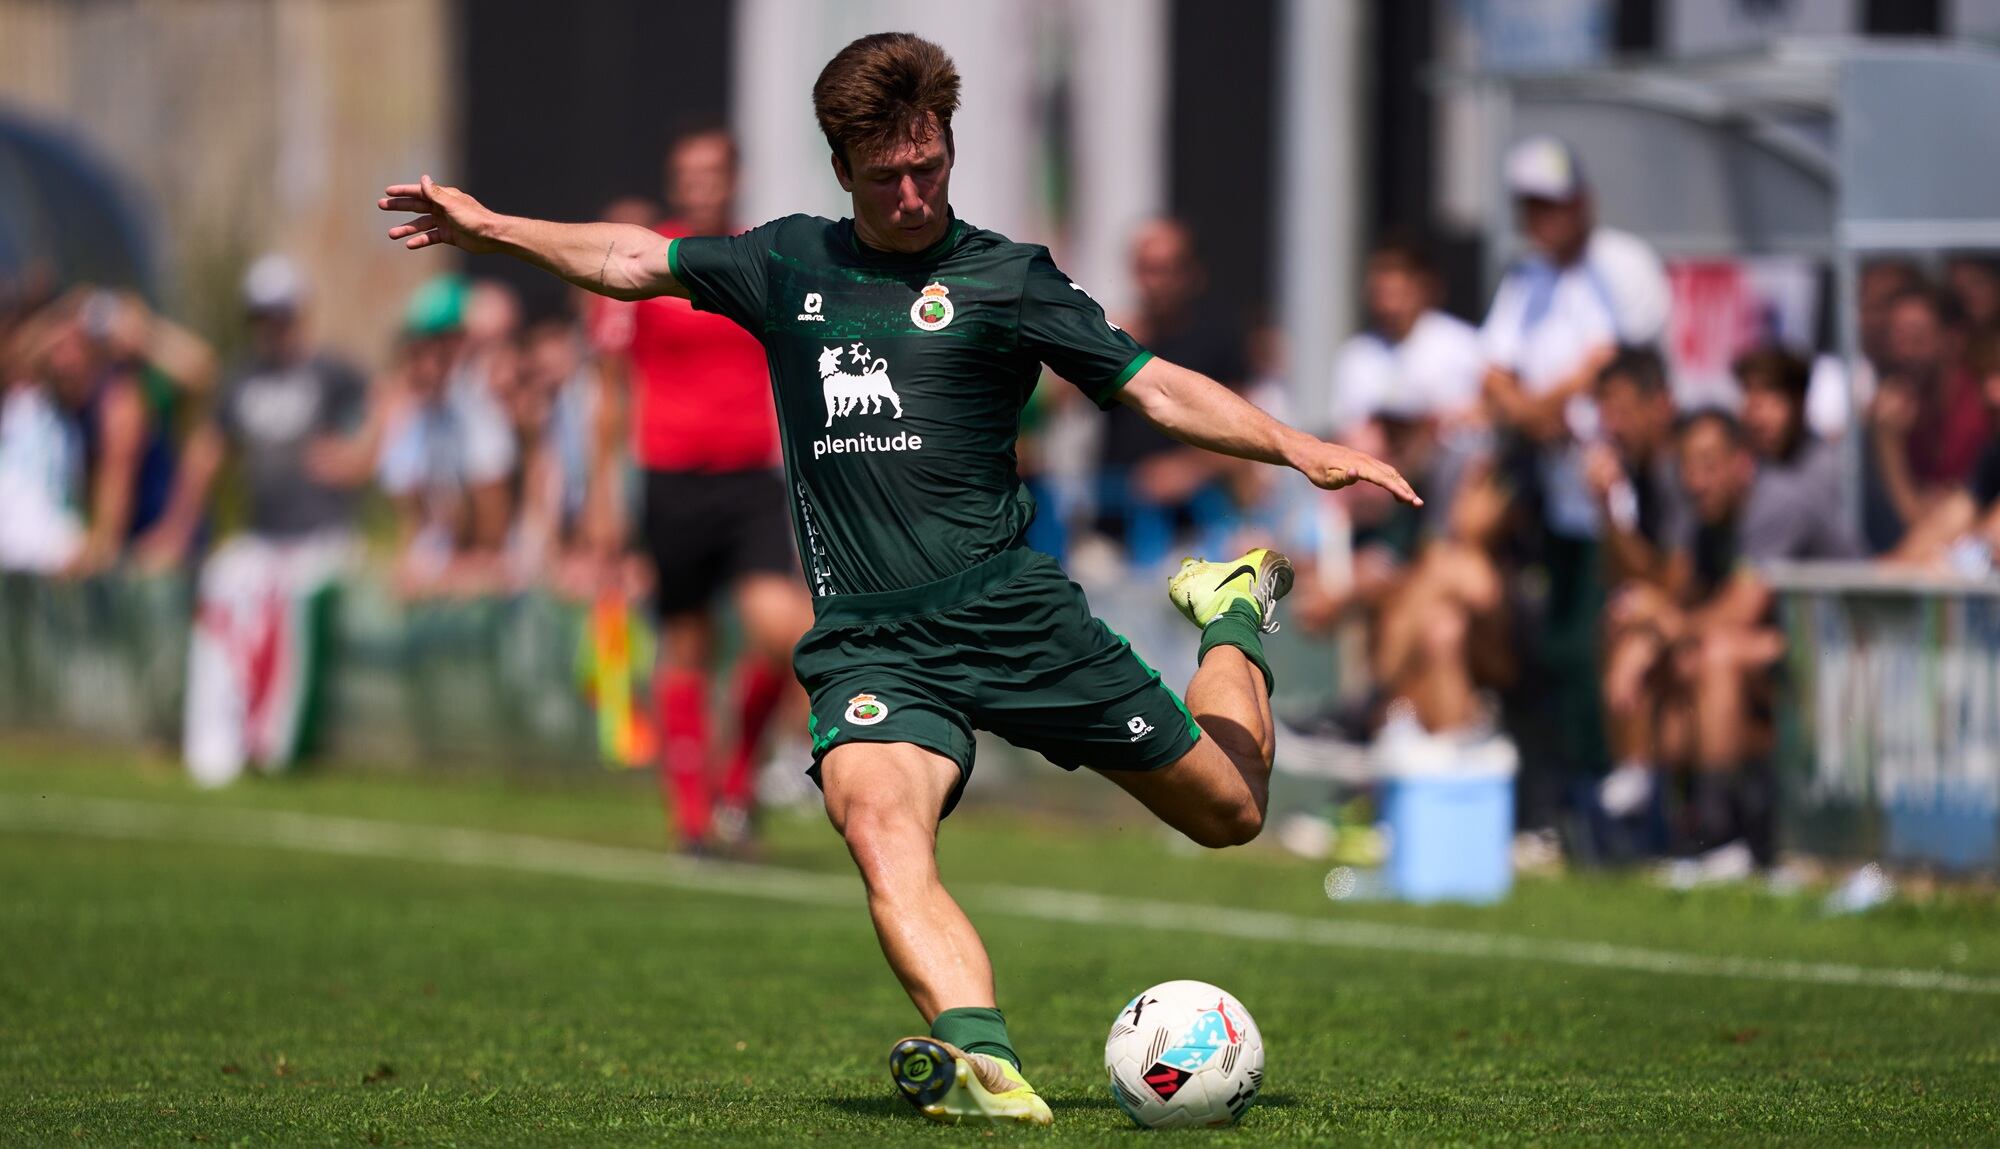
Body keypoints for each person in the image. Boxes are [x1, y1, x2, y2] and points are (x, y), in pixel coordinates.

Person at [378, 31, 1414, 1128]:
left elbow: (1151, 388)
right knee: (878, 822)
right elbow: (631, 260)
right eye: (887, 177)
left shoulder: (1007, 277)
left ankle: (1230, 612)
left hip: (1011, 618)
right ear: (842, 172)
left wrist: (1292, 444)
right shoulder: (789, 266)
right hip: (872, 643)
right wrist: (490, 230)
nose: (914, 194)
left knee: (1228, 811)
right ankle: (981, 1060)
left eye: (930, 167)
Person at [586, 126, 815, 855]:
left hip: (751, 479)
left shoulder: (763, 262)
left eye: (713, 171)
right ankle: (694, 818)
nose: (700, 183)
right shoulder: (646, 263)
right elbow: (612, 393)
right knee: (686, 644)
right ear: (675, 182)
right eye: (688, 172)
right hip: (671, 477)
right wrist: (601, 495)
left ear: (734, 178)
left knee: (783, 635)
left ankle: (739, 781)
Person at [1477, 136, 1671, 827]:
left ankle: (1611, 794)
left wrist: (1533, 406)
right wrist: (1531, 410)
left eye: (1554, 204)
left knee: (1605, 635)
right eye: (1532, 206)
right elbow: (1492, 371)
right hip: (1553, 493)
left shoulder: (1623, 265)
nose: (1544, 219)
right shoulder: (1526, 279)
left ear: (1582, 202)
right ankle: (1570, 794)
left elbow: (1612, 363)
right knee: (1559, 643)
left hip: (1614, 489)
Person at [152, 256, 383, 785]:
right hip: (263, 536)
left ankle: (275, 746)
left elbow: (388, 404)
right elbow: (207, 452)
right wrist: (176, 526)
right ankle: (214, 750)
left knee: (290, 600)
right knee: (221, 583)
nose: (270, 326)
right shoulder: (241, 379)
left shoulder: (331, 371)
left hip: (322, 537)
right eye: (262, 315)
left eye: (278, 313)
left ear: (297, 314)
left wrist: (358, 459)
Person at [1091, 218, 1250, 563]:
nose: (1156, 283)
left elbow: (1245, 437)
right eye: (1147, 269)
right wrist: (1095, 347)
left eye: (1167, 270)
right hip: (1113, 521)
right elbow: (1056, 401)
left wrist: (1187, 469)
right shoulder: (1115, 336)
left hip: (1190, 527)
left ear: (1191, 274)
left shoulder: (1218, 342)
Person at [376, 276, 516, 597]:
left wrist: (457, 565)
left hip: (479, 568)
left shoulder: (479, 411)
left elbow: (491, 524)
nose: (421, 359)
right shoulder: (416, 415)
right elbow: (413, 514)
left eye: (433, 345)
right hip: (445, 564)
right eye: (415, 347)